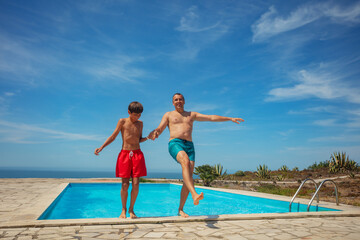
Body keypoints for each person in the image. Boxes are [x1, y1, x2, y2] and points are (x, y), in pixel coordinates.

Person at [150, 93, 244, 218]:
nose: (178, 101)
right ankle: (194, 194)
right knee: (185, 162)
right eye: (176, 100)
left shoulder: (191, 115)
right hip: (175, 143)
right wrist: (156, 132)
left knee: (188, 177)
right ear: (173, 102)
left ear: (184, 101)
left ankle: (180, 209)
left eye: (180, 99)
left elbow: (211, 117)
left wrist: (229, 118)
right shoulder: (168, 115)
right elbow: (160, 128)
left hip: (190, 146)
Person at [94, 101, 151, 219]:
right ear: (129, 112)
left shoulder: (140, 124)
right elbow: (113, 136)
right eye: (135, 114)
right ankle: (123, 209)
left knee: (136, 184)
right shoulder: (122, 121)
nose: (137, 117)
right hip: (125, 155)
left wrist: (148, 138)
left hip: (137, 154)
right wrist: (101, 147)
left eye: (139, 115)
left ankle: (131, 209)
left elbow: (138, 139)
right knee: (125, 185)